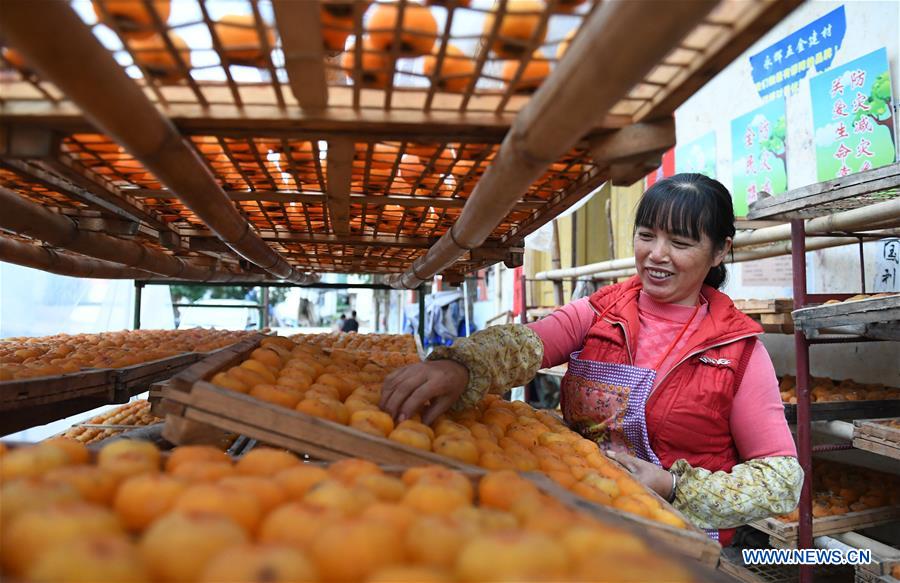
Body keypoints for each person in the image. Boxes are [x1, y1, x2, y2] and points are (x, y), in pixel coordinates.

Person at [381, 174, 802, 545]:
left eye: (680, 242)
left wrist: (674, 486)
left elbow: (781, 482)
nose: (656, 254)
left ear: (719, 251)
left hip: (675, 542)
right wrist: (461, 365)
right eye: (646, 235)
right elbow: (526, 344)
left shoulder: (738, 351)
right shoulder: (602, 311)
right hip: (575, 521)